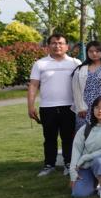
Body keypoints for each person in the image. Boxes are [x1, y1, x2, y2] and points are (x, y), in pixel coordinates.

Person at [29, 33, 81, 177]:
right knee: (49, 138)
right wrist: (30, 105)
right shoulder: (40, 64)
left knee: (68, 138)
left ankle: (69, 164)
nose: (57, 46)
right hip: (47, 107)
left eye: (60, 43)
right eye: (53, 43)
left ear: (67, 46)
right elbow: (33, 85)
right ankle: (49, 165)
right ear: (48, 46)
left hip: (69, 107)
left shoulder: (75, 63)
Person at [68, 95, 101, 198]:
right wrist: (73, 173)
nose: (100, 110)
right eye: (97, 107)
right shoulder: (85, 128)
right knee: (79, 194)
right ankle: (94, 182)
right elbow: (76, 149)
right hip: (85, 166)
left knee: (100, 160)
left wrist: (84, 158)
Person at [71, 40, 101, 130]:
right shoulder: (80, 69)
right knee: (83, 132)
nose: (94, 53)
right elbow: (76, 89)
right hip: (84, 107)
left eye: (97, 51)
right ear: (87, 53)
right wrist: (80, 107)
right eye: (91, 51)